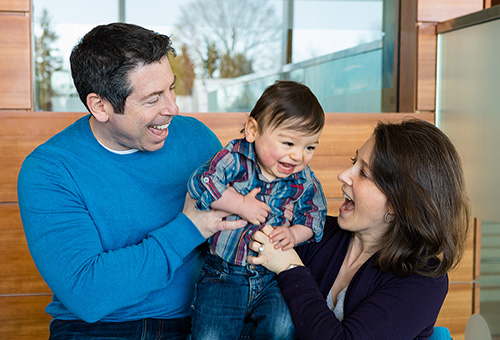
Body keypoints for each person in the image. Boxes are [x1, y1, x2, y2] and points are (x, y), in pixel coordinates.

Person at [17, 22, 246, 339]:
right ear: (100, 106)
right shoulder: (50, 170)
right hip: (98, 329)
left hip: (199, 320)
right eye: (153, 99)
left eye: (171, 88)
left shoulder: (198, 139)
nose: (172, 108)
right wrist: (190, 228)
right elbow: (88, 293)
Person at [248, 119, 471, 340]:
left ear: (398, 205)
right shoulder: (313, 231)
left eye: (363, 173)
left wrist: (289, 267)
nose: (343, 175)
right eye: (354, 161)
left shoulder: (423, 281)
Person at [187, 81, 328, 339]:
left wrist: (295, 234)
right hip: (223, 272)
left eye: (310, 147)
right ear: (253, 130)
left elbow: (315, 214)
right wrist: (240, 204)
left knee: (283, 327)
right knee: (211, 334)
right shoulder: (235, 158)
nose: (299, 156)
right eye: (288, 143)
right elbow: (203, 182)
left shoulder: (303, 179)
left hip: (271, 276)